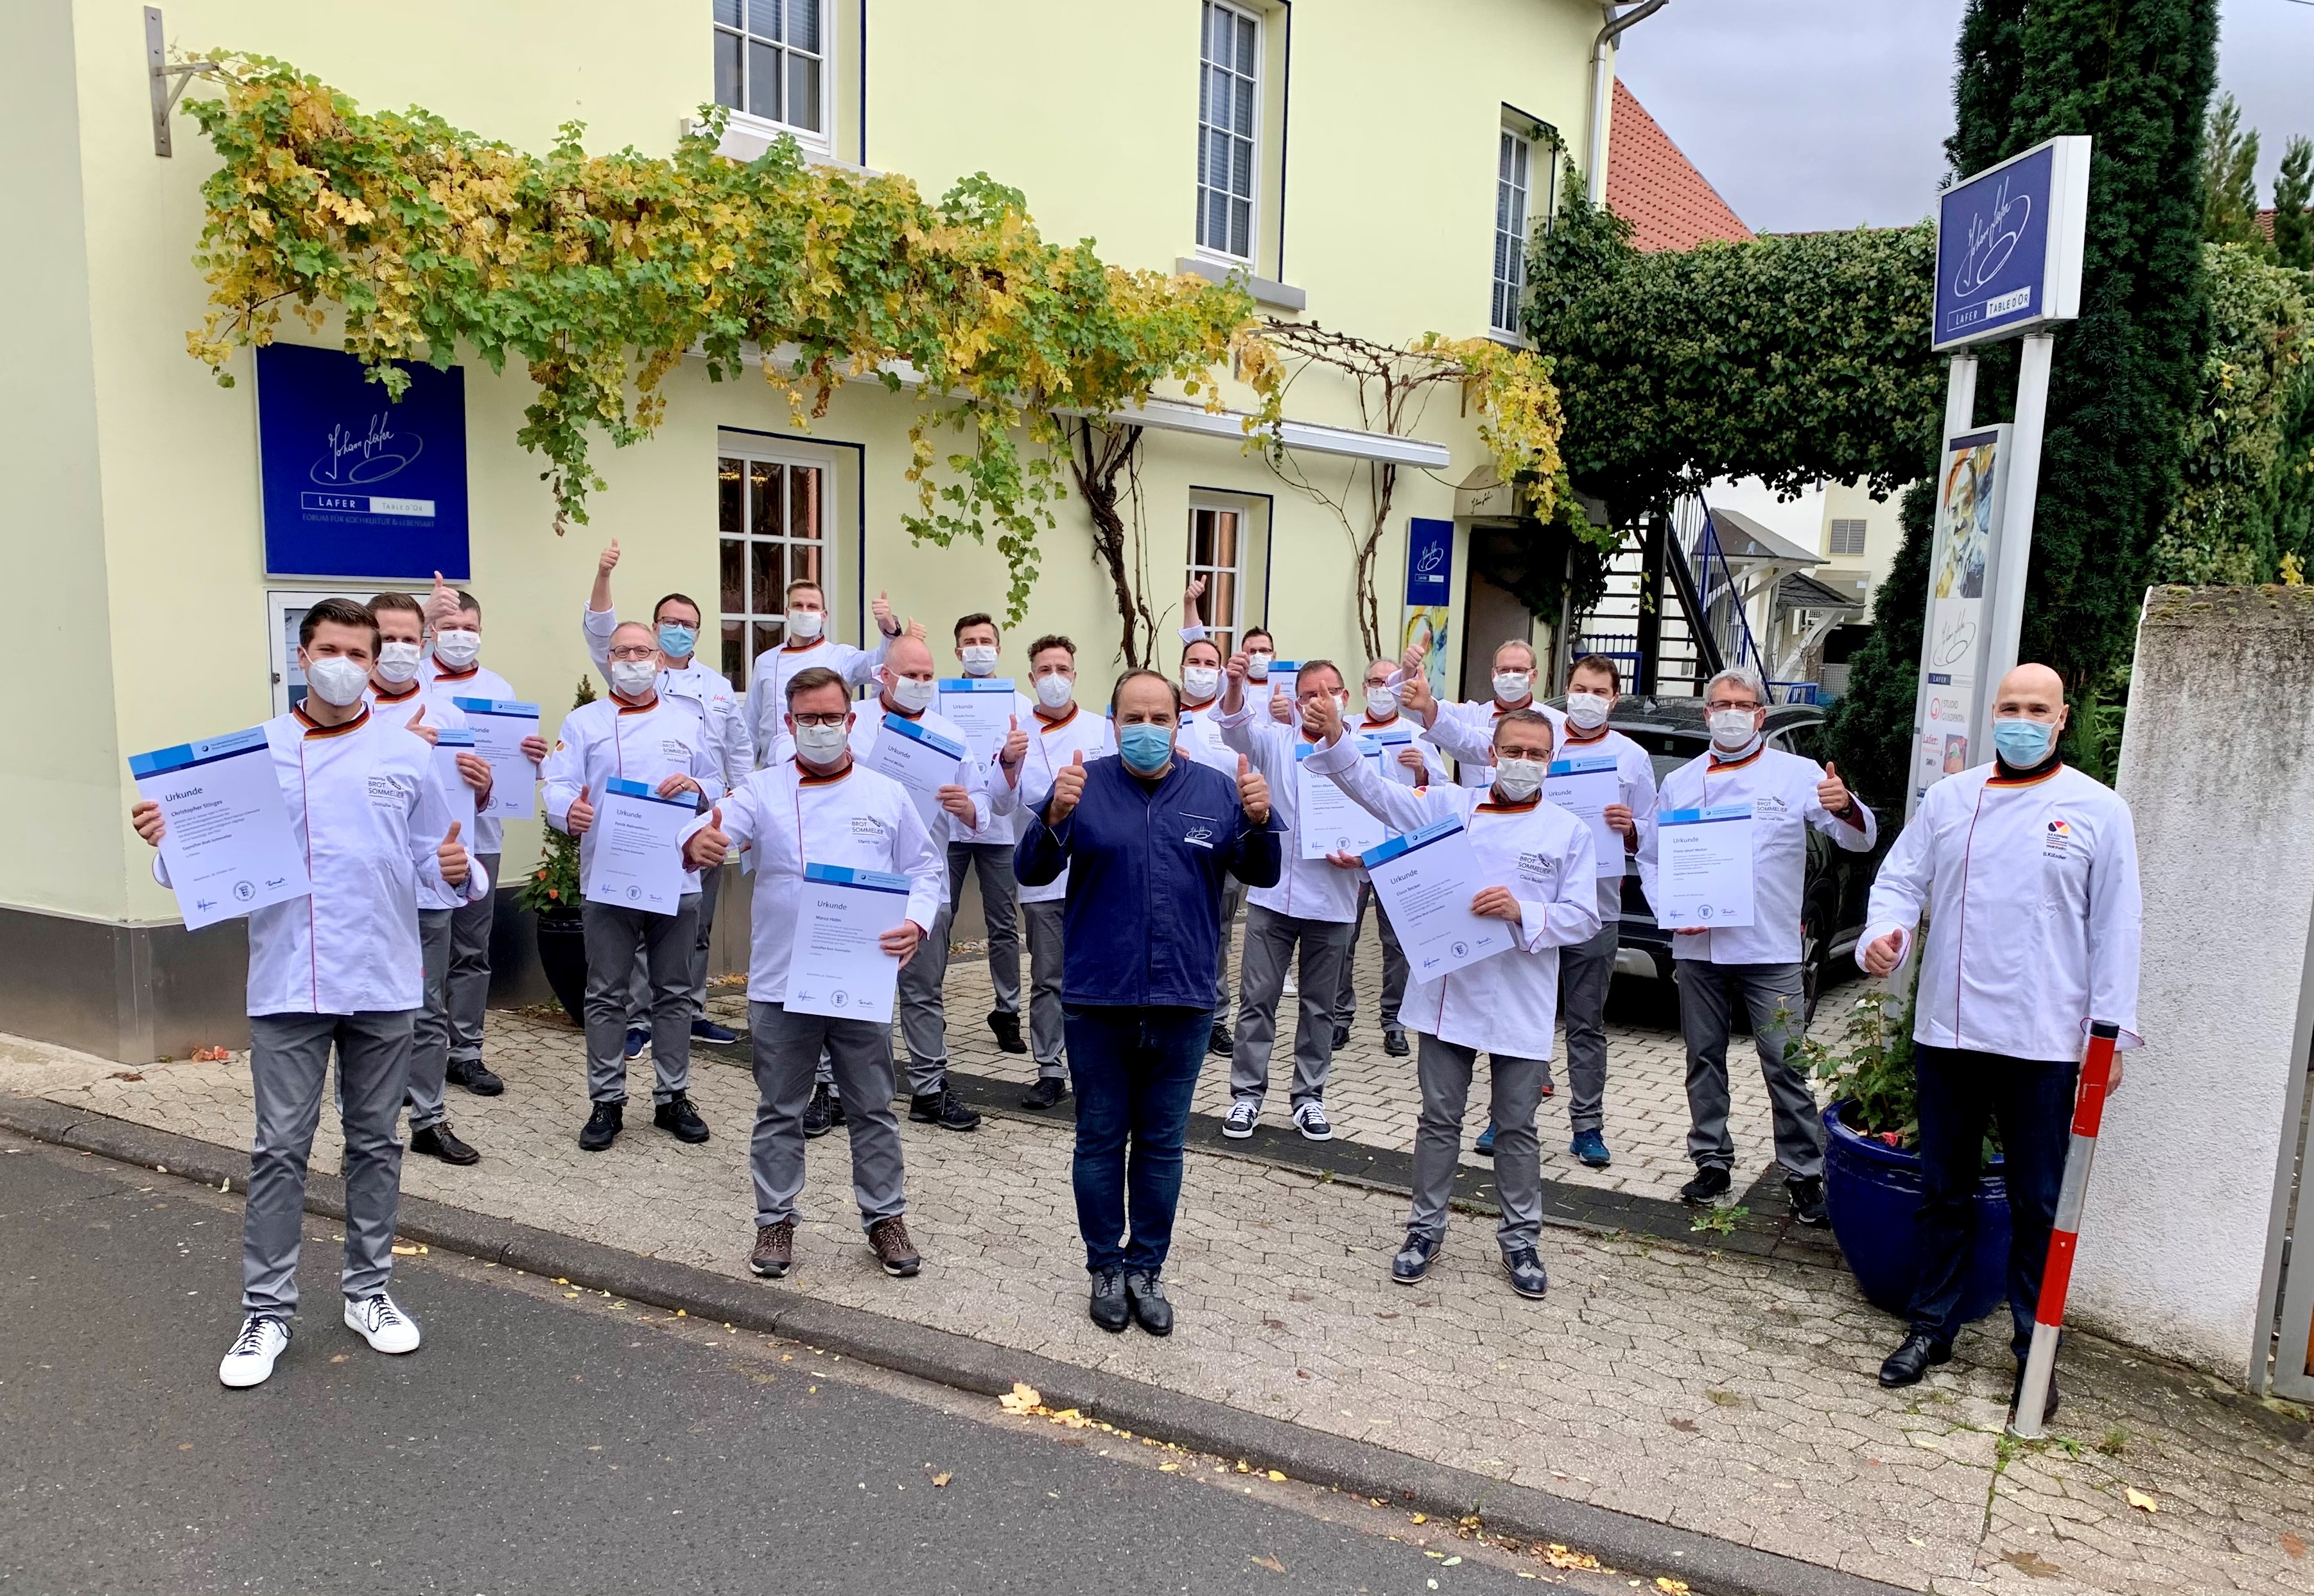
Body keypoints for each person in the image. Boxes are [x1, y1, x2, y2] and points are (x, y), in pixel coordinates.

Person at [131, 597, 479, 1388]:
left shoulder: (408, 753)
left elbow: (438, 857)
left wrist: (458, 872)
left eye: (362, 653)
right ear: (301, 653)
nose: (348, 665)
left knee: (375, 1142)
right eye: (333, 649)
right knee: (280, 1147)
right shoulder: (248, 753)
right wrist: (166, 840)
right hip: (288, 978)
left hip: (384, 976)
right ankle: (267, 1309)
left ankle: (370, 1291)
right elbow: (202, 865)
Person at [1861, 664, 2142, 1421]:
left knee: (2037, 1201)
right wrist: (1881, 936)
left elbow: (2117, 927)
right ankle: (1930, 1327)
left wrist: (2107, 1037)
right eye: (2009, 706)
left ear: (2060, 718)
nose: (2021, 718)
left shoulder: (2096, 808)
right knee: (1942, 1190)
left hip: (2046, 1041)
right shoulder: (1951, 799)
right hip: (1949, 1030)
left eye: (2036, 708)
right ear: (1994, 714)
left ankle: (2033, 1348)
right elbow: (1898, 881)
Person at [1298, 693, 1599, 1299]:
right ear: (1491, 754)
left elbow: (1585, 918)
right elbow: (1376, 792)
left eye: (1536, 754)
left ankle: (1521, 1240)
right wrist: (1335, 738)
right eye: (1513, 750)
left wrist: (1525, 911)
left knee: (1516, 1128)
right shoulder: (1450, 806)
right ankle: (1424, 1230)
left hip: (1521, 999)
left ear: (1553, 759)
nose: (1523, 761)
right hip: (1448, 994)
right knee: (1439, 1121)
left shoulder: (1569, 832)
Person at [1015, 669, 1281, 1335]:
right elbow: (1030, 870)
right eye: (1134, 717)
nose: (1147, 729)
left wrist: (1261, 819)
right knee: (1100, 1137)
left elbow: (1263, 871)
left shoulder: (1216, 790)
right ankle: (1104, 1265)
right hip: (1097, 997)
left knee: (1162, 1145)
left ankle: (1146, 1268)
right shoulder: (1083, 783)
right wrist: (1052, 816)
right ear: (1113, 722)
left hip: (1183, 998)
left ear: (1177, 722)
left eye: (1159, 717)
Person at [678, 666, 943, 1282]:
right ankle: (775, 1219)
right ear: (789, 724)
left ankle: (885, 1217)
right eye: (808, 719)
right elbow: (711, 827)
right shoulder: (761, 790)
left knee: (873, 1106)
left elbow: (926, 869)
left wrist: (918, 923)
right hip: (781, 982)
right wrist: (697, 843)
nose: (820, 728)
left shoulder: (886, 794)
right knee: (780, 1107)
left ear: (852, 722)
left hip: (861, 978)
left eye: (831, 717)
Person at [1637, 666, 1877, 1226]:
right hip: (1699, 949)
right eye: (1720, 704)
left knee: (1785, 1062)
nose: (1730, 713)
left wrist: (1844, 804)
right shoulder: (1682, 781)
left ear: (1760, 716)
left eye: (1742, 705)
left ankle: (1804, 1171)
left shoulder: (1797, 774)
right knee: (1703, 1058)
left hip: (1770, 948)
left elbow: (1858, 838)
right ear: (1707, 714)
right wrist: (1670, 910)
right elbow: (1652, 858)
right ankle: (1712, 1160)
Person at [1413, 654, 1656, 1167]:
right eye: (1579, 688)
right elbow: (1471, 742)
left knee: (1586, 1024)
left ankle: (1587, 1125)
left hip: (1595, 908)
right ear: (1565, 689)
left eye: (1598, 691)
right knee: (1517, 1014)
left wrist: (1631, 829)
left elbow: (1652, 835)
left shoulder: (1632, 757)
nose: (1587, 699)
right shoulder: (1542, 738)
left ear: (1614, 697)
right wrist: (1430, 709)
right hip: (1517, 909)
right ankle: (1505, 1118)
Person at [541, 621, 724, 1152]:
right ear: (610, 659)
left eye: (643, 650)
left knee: (673, 992)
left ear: (658, 661)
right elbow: (555, 784)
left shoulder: (688, 721)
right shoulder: (583, 722)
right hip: (610, 876)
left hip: (677, 874)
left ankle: (673, 1096)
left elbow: (716, 783)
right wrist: (565, 810)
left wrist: (696, 786)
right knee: (605, 993)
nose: (634, 659)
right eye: (622, 652)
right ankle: (606, 1099)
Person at [582, 542, 752, 1052]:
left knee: (693, 924)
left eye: (688, 623)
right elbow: (598, 628)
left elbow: (737, 754)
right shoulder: (632, 667)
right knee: (637, 921)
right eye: (668, 621)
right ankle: (637, 1020)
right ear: (653, 633)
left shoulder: (717, 688)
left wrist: (735, 816)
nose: (677, 628)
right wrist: (604, 574)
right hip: (637, 821)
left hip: (700, 819)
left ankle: (690, 1011)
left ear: (698, 633)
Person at [833, 632, 991, 1132]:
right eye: (912, 676)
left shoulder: (950, 734)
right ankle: (839, 1091)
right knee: (857, 989)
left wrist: (968, 807)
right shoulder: (855, 730)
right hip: (863, 881)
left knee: (924, 992)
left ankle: (928, 1088)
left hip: (925, 884)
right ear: (885, 675)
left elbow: (981, 802)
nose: (922, 684)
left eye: (928, 677)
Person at [365, 591, 495, 1168]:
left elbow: (471, 805)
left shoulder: (451, 715)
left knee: (427, 1006)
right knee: (366, 1008)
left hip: (429, 886)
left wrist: (485, 782)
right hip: (366, 889)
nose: (396, 649)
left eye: (406, 639)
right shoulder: (345, 714)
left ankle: (428, 1118)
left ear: (424, 645)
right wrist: (394, 751)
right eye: (384, 638)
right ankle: (367, 1124)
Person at [1213, 652, 1365, 1142]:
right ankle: (1246, 1097)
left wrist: (1363, 857)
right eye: (1309, 694)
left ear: (1346, 698)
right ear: (1295, 704)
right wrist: (1235, 684)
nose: (1320, 701)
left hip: (1336, 900)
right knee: (1258, 999)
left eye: (1330, 692)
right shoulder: (1276, 743)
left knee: (1320, 1006)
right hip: (1273, 898)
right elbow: (1235, 729)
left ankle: (1309, 1099)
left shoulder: (1364, 751)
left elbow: (1385, 817)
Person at [421, 582, 548, 1099]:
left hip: (481, 837)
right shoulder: (411, 683)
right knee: (422, 951)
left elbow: (513, 772)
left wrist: (531, 759)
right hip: (422, 843)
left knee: (472, 949)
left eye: (469, 630)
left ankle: (466, 1052)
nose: (459, 637)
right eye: (449, 629)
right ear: (430, 632)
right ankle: (415, 1055)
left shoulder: (499, 688)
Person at [992, 634, 1115, 1109]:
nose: (1055, 678)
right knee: (1049, 977)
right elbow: (999, 805)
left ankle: (1095, 1066)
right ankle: (1049, 1068)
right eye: (1045, 670)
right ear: (1032, 678)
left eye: (1062, 668)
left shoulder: (1100, 728)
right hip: (1043, 874)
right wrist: (1008, 761)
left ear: (1075, 674)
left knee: (1097, 973)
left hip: (1097, 873)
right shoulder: (1016, 732)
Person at [1329, 659, 1450, 1059]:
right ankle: (1338, 1017)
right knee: (1342, 937)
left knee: (1396, 942)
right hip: (1350, 848)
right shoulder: (1345, 727)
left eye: (1389, 682)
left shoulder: (1417, 733)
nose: (1382, 688)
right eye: (1375, 682)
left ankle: (1394, 1019)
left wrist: (1422, 775)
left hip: (1398, 851)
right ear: (1363, 687)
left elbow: (1441, 796)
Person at [947, 612, 1031, 1058]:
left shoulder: (1019, 704)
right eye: (969, 641)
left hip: (999, 830)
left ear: (999, 648)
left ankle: (1007, 1011)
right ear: (957, 651)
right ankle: (930, 1006)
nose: (978, 647)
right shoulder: (940, 699)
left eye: (986, 640)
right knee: (939, 920)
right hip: (950, 827)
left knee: (1002, 926)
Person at [736, 568, 905, 765]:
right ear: (787, 613)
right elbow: (750, 724)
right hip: (775, 767)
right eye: (798, 606)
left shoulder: (840, 656)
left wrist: (890, 630)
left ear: (824, 615)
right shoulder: (766, 661)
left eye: (812, 606)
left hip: (826, 763)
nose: (805, 612)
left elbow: (880, 665)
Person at [1175, 581, 1242, 1057]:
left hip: (1222, 839)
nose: (1201, 671)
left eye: (1209, 665)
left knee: (1217, 931)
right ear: (1181, 668)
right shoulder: (1162, 714)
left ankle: (1215, 1016)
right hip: (1167, 839)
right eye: (1194, 663)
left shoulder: (1233, 718)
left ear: (1220, 673)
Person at [1399, 638, 1565, 789]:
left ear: (1534, 676)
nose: (1511, 676)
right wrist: (1408, 672)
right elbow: (1421, 708)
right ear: (1494, 674)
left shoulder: (1557, 722)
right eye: (1504, 670)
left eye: (1519, 670)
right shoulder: (1471, 714)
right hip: (1478, 813)